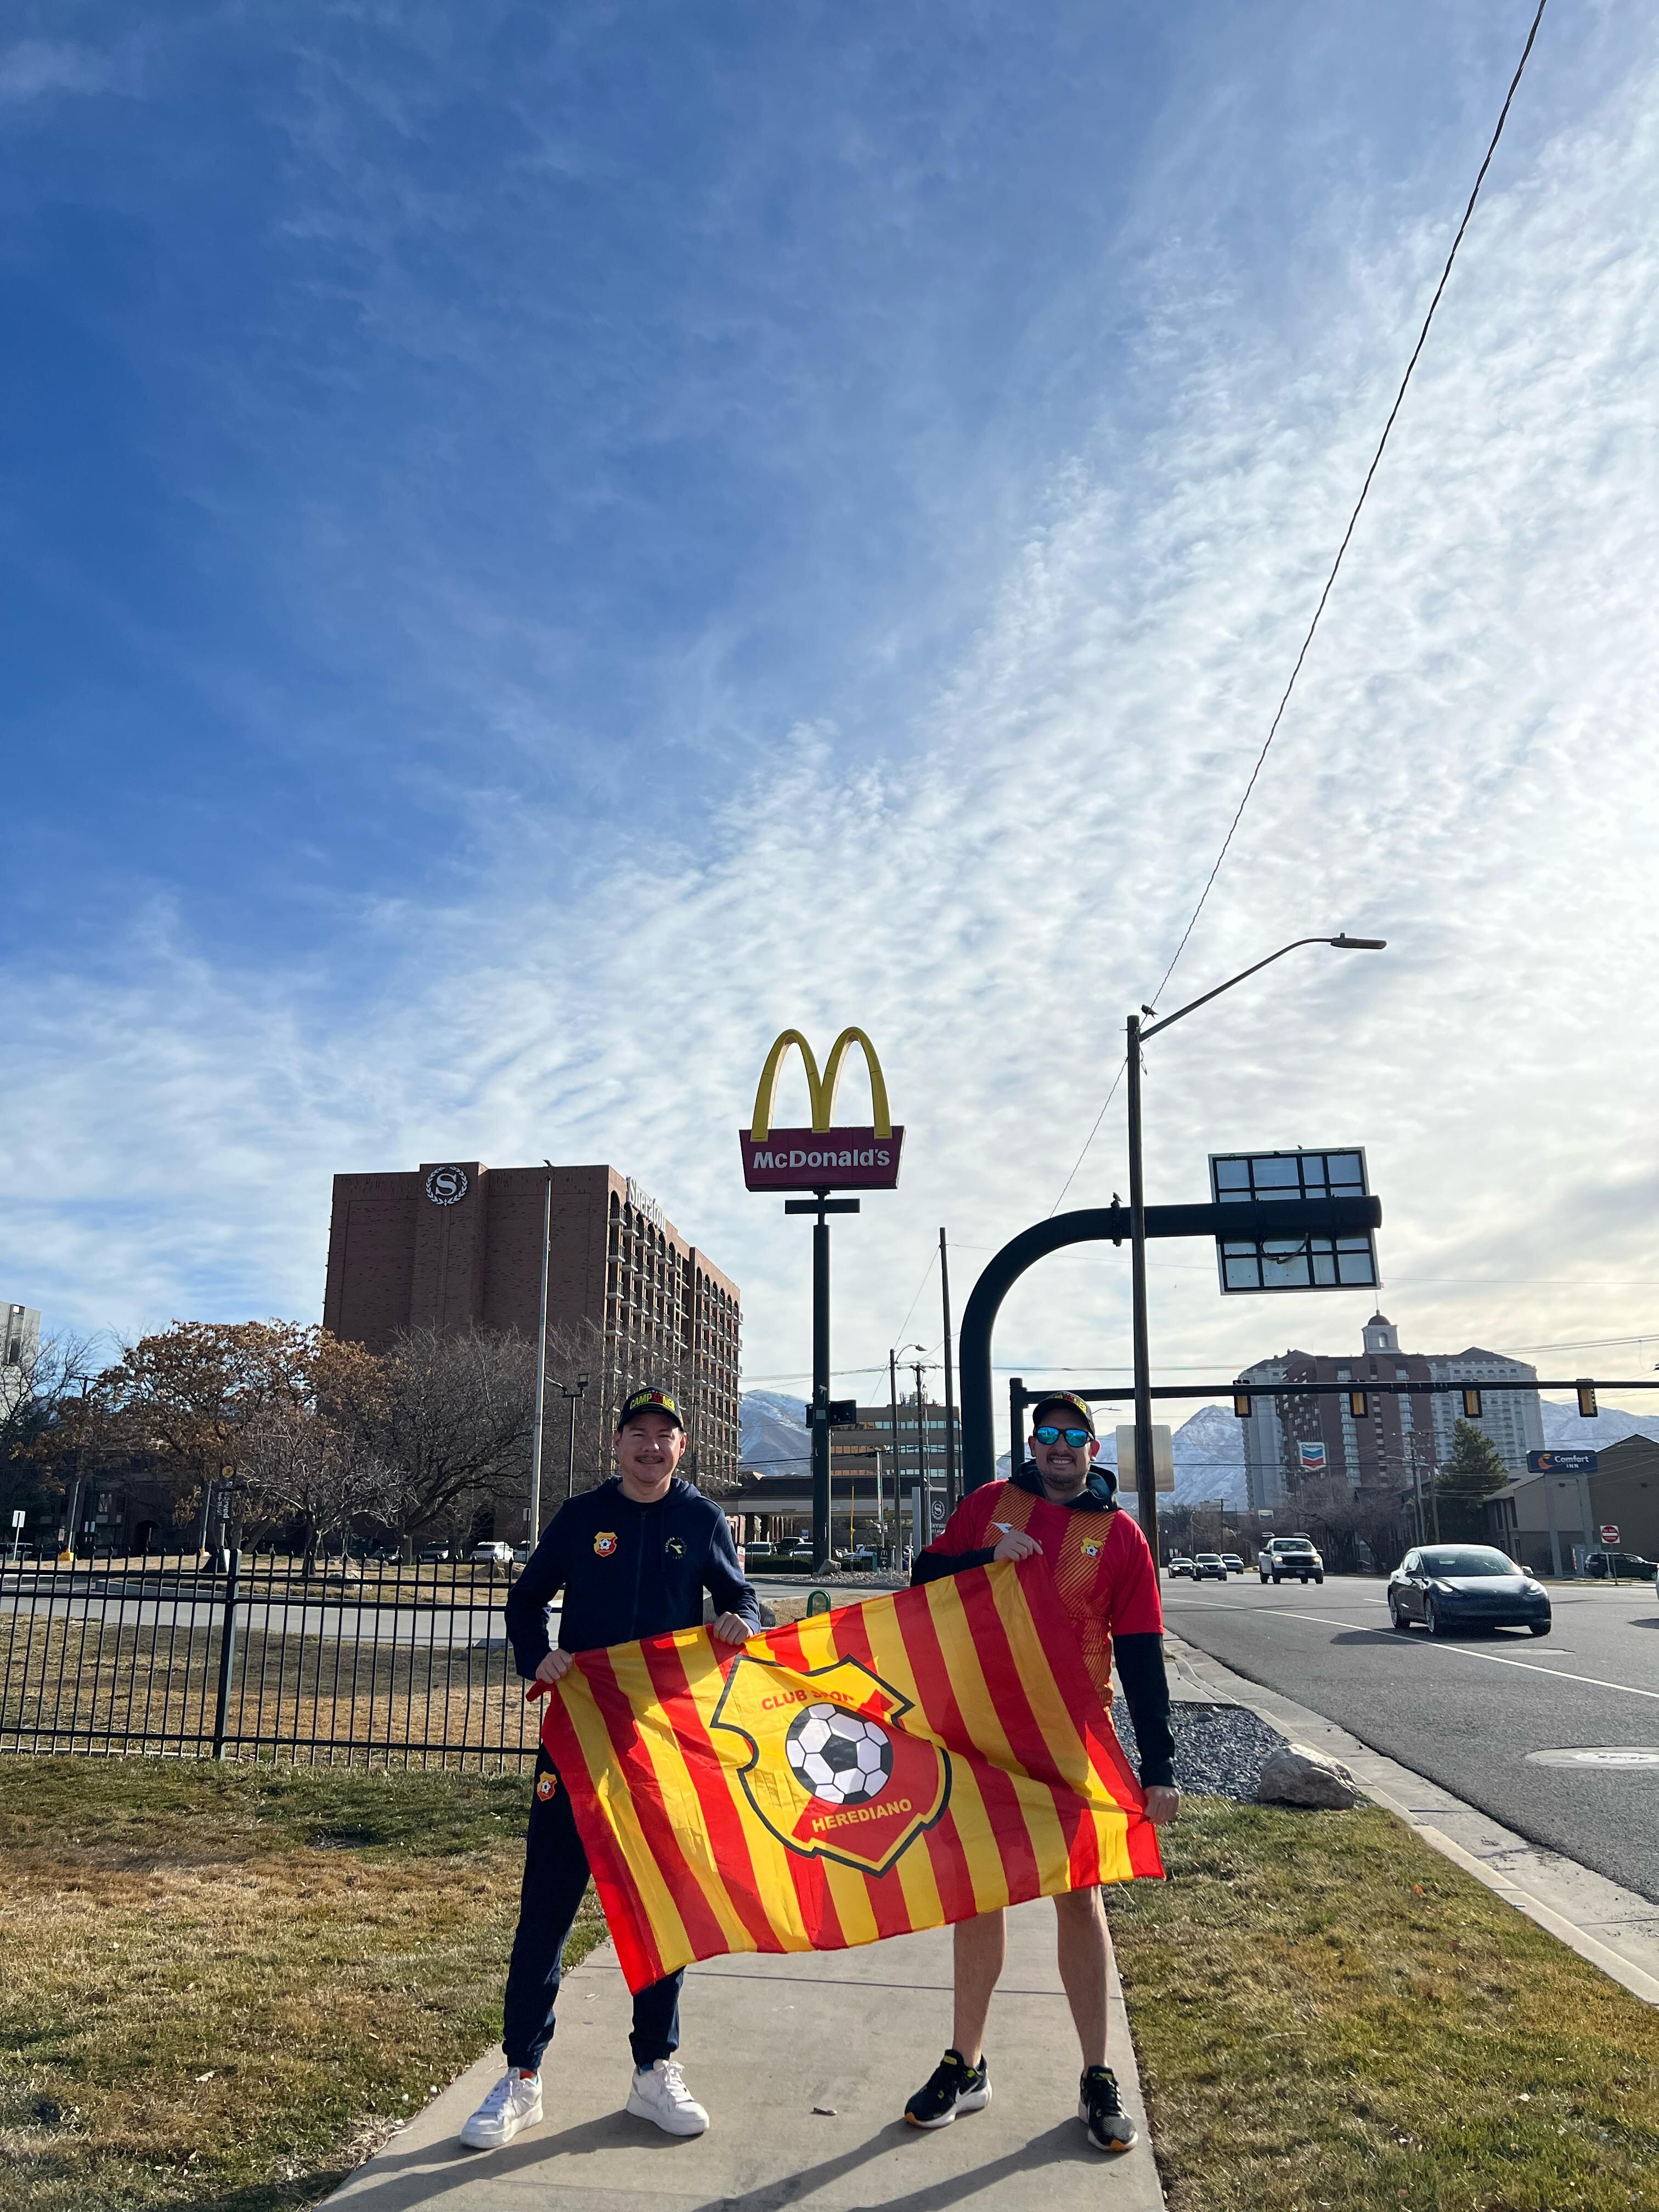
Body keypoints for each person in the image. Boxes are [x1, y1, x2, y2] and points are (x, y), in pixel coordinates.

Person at [458, 1386, 760, 2151]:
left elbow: (741, 1596)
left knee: (662, 1909)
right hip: (577, 1740)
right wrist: (540, 1656)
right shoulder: (579, 1516)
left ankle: (654, 2070)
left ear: (682, 1449)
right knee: (547, 1912)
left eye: (666, 1436)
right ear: (616, 1443)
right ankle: (521, 2077)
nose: (651, 1446)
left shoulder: (700, 1519)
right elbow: (525, 1602)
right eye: (638, 1433)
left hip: (661, 1746)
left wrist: (739, 1621)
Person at [902, 1392, 1178, 2154]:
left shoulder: (1118, 1536)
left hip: (1068, 1743)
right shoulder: (994, 1504)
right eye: (1048, 1436)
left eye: (1074, 1437)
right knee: (976, 1896)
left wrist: (1160, 1764)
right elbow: (924, 1578)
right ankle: (967, 2061)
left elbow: (1146, 1652)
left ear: (1093, 1448)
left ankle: (1096, 2073)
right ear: (1033, 1442)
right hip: (981, 1734)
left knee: (1076, 1900)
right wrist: (983, 1557)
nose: (1060, 1447)